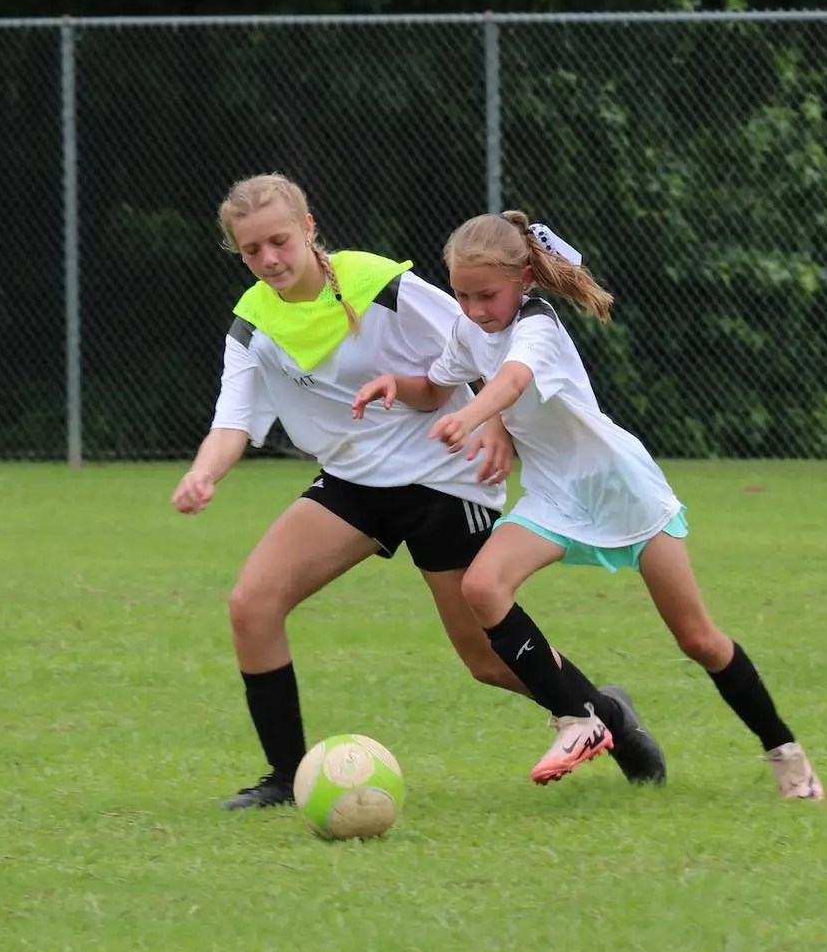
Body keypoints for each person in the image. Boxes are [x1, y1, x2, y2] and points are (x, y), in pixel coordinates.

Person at [174, 174, 666, 810]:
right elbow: (232, 421)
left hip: (443, 476)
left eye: (279, 240)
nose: (269, 259)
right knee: (252, 604)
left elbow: (483, 343)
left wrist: (494, 425)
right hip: (353, 483)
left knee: (486, 661)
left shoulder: (380, 283)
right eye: (251, 250)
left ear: (308, 229)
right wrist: (205, 472)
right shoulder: (252, 323)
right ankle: (285, 778)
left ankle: (606, 715)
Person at [350, 210, 825, 800]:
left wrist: (472, 416)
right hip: (555, 493)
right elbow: (440, 382)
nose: (472, 309)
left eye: (487, 295)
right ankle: (579, 717)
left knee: (698, 639)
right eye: (461, 295)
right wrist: (398, 383)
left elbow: (511, 383)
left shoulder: (538, 325)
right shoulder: (471, 327)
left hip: (622, 489)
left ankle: (787, 755)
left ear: (524, 277)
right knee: (482, 588)